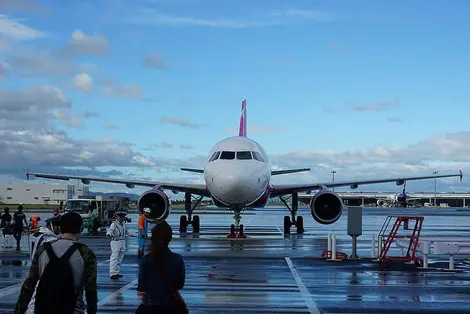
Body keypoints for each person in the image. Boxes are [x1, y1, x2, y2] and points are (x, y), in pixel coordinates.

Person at [14, 212, 98, 314]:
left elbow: (29, 284)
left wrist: (20, 310)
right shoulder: (86, 253)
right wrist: (92, 310)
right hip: (73, 309)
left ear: (60, 228)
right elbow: (91, 288)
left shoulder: (43, 250)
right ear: (80, 229)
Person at [136, 221, 186, 314]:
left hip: (150, 306)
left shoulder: (146, 260)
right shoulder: (177, 259)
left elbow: (141, 286)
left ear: (153, 238)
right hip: (170, 306)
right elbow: (180, 284)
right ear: (169, 238)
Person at [106, 212, 128, 279]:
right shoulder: (114, 224)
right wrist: (109, 234)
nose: (122, 218)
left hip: (122, 241)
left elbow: (126, 231)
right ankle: (112, 273)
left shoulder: (124, 223)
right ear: (117, 217)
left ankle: (117, 272)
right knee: (114, 257)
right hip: (115, 241)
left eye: (123, 217)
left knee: (120, 258)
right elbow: (110, 230)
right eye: (120, 217)